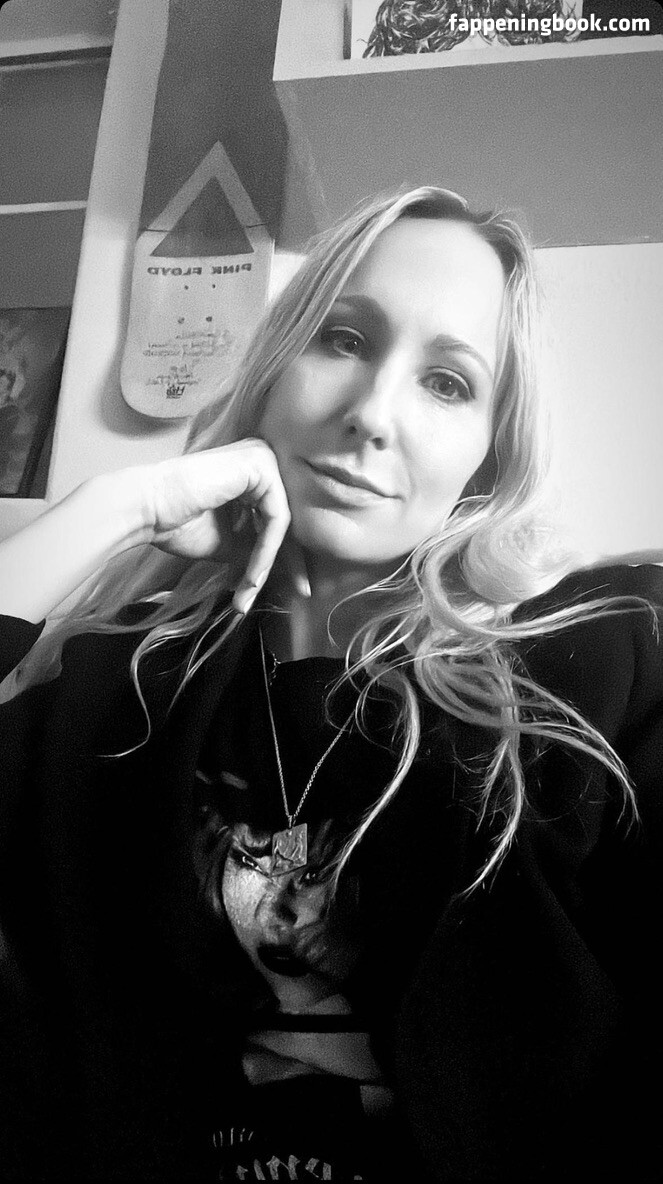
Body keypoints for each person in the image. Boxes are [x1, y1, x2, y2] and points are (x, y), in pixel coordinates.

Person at [0, 186, 661, 1182]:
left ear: (488, 453)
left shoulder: (601, 663)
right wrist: (114, 507)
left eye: (446, 382)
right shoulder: (116, 692)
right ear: (273, 370)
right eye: (343, 340)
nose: (370, 415)